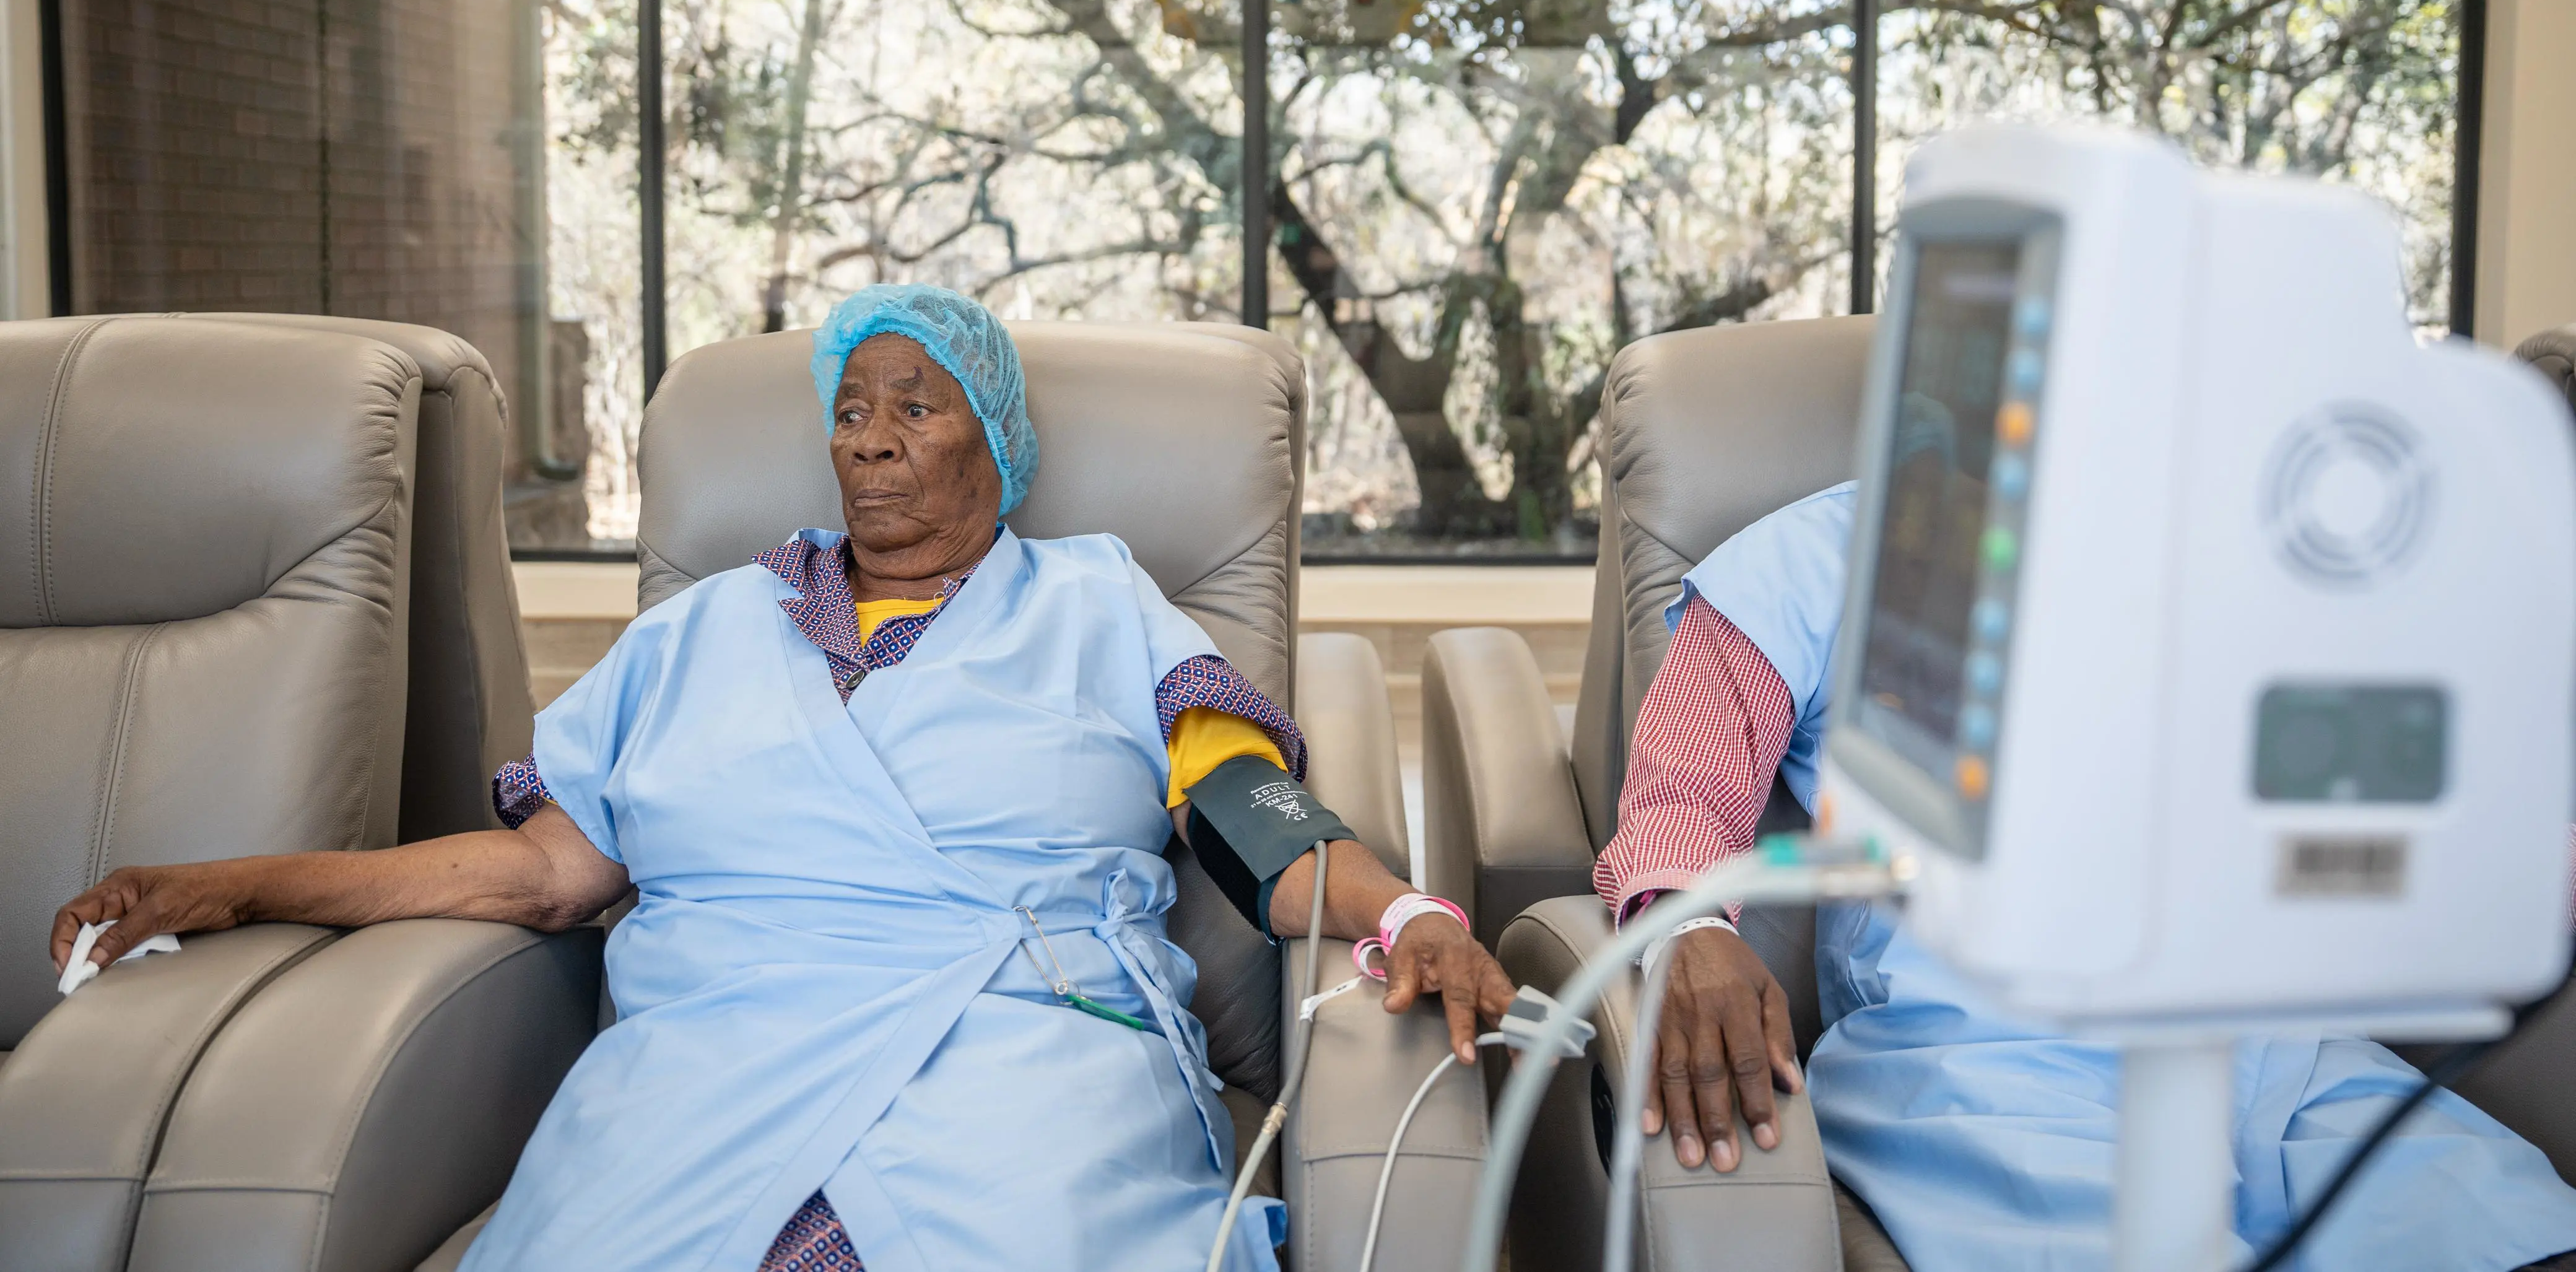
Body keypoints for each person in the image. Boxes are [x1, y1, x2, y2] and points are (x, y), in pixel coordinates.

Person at [50, 285, 1513, 1272]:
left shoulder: (1098, 603)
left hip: (1015, 1054)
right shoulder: (697, 631)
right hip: (708, 1064)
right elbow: (542, 874)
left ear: (998, 440)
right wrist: (238, 882)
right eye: (852, 408)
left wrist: (1408, 918)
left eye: (916, 408)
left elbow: (1249, 816)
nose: (869, 438)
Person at [1596, 476, 2576, 1272]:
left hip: (2268, 1041)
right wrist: (1689, 929)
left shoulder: (2230, 559)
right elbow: (1685, 796)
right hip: (1986, 1064)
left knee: (2503, 1222)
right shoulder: (1811, 562)